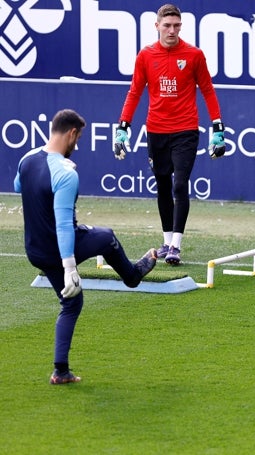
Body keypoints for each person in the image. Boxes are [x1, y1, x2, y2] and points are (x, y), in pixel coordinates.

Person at [14, 109, 158, 384]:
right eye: (78, 138)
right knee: (106, 237)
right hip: (59, 249)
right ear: (71, 133)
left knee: (71, 303)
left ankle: (60, 371)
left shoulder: (27, 159)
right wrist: (70, 267)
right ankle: (132, 275)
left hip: (35, 251)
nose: (77, 145)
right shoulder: (66, 174)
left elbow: (18, 186)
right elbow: (63, 225)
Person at [113, 3, 226, 266]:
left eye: (176, 25)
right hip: (156, 130)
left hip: (186, 130)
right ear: (157, 26)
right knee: (163, 184)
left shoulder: (194, 54)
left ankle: (176, 245)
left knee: (179, 184)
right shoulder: (145, 56)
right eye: (167, 25)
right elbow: (135, 92)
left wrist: (218, 127)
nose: (172, 30)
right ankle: (166, 241)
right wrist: (123, 127)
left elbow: (208, 90)